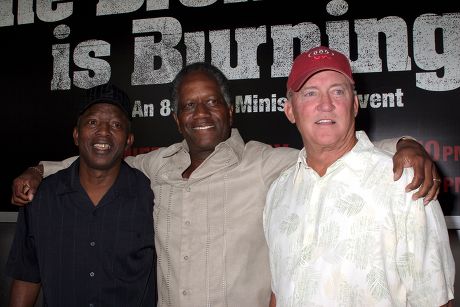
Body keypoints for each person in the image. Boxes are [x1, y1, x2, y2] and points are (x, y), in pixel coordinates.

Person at [11, 63, 440, 307]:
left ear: (230, 111)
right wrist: (40, 169)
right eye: (190, 106)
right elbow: (96, 157)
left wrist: (405, 145)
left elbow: (334, 149)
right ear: (178, 119)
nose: (201, 113)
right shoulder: (157, 167)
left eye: (212, 101)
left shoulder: (265, 163)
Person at [263, 46, 454, 306]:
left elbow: (435, 300)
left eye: (337, 91)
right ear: (290, 110)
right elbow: (279, 290)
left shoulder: (404, 183)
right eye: (310, 93)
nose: (325, 104)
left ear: (354, 105)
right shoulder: (278, 191)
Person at [6, 83, 156, 307]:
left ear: (128, 140)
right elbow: (27, 275)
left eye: (115, 124)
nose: (103, 131)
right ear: (76, 135)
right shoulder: (41, 197)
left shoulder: (152, 195)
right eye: (93, 122)